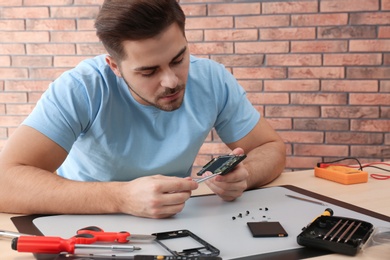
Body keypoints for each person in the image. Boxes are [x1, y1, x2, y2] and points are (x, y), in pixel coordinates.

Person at [0, 0, 286, 219]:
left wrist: (245, 174)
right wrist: (121, 198)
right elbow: (6, 182)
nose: (172, 81)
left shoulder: (212, 79)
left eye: (178, 58)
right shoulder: (81, 88)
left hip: (178, 222)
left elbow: (270, 146)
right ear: (115, 67)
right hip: (88, 229)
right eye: (149, 71)